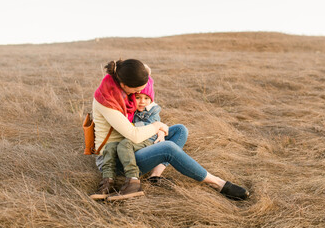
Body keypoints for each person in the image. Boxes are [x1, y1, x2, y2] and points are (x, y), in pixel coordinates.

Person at [91, 58, 249, 201]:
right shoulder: (107, 101)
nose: (138, 94)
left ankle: (155, 176)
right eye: (136, 91)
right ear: (125, 85)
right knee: (168, 148)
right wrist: (157, 126)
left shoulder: (120, 77)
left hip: (132, 145)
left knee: (180, 130)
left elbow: (145, 71)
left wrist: (158, 130)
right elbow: (134, 135)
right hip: (116, 159)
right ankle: (218, 183)